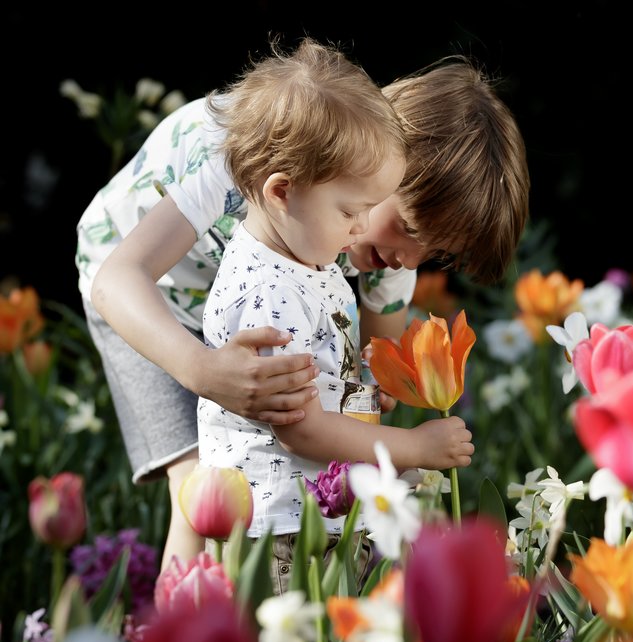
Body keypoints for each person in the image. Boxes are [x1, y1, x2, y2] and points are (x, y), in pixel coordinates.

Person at [75, 39, 530, 571]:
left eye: (438, 253)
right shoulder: (241, 149)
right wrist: (203, 370)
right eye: (407, 227)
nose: (409, 260)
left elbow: (370, 374)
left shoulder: (383, 252)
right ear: (381, 158)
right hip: (149, 294)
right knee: (202, 484)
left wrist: (366, 394)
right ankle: (174, 635)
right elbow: (119, 282)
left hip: (258, 305)